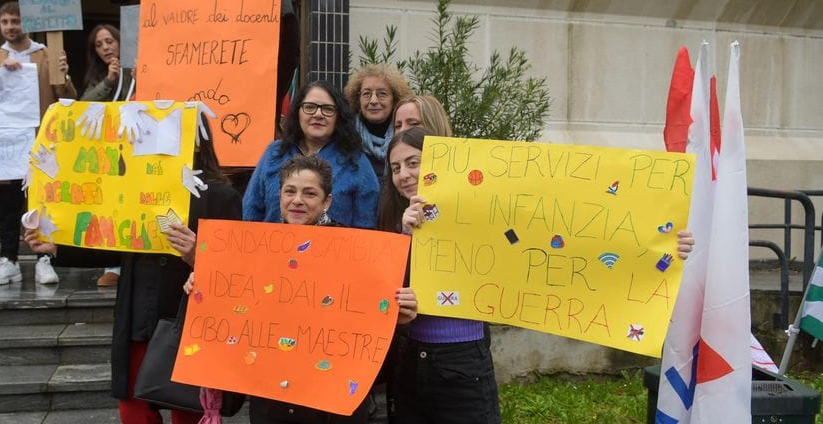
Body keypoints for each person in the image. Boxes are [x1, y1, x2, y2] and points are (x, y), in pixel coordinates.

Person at [380, 127, 697, 423]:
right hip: (411, 362)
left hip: (462, 362)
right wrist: (406, 246)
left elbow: (589, 234)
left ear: (437, 164)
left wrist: (667, 246)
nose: (404, 174)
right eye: (396, 168)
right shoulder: (394, 220)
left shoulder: (484, 205)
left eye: (413, 162)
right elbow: (384, 293)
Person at [25, 112, 240, 424]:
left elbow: (233, 269)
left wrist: (198, 253)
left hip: (189, 320)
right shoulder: (131, 189)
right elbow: (112, 243)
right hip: (138, 316)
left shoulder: (221, 196)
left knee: (187, 410)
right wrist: (58, 246)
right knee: (134, 410)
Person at [187, 154, 417, 423]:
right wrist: (201, 288)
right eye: (290, 191)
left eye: (309, 193)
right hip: (272, 400)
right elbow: (234, 308)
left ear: (326, 201)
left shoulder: (357, 253)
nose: (297, 200)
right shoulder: (255, 252)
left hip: (331, 403)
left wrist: (399, 316)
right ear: (279, 196)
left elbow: (376, 319)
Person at [0, 1, 77, 286]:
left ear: (27, 23)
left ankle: (44, 259)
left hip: (41, 142)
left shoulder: (47, 55)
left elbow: (68, 97)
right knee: (7, 203)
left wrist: (64, 74)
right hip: (5, 145)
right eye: (5, 22)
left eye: (16, 21)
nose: (10, 27)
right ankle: (7, 259)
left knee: (42, 203)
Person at [243, 81, 379, 228]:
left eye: (327, 109)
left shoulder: (356, 161)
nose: (318, 114)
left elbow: (367, 224)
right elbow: (251, 212)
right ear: (297, 112)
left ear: (338, 116)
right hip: (273, 248)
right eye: (309, 107)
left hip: (336, 249)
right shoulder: (274, 153)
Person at [78, 23, 129, 287]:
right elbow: (83, 107)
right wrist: (109, 81)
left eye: (109, 41)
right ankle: (113, 265)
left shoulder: (136, 70)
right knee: (110, 209)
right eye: (99, 44)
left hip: (135, 151)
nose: (106, 47)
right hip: (108, 156)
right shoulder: (98, 77)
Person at [343, 64, 412, 178]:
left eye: (382, 94)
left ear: (394, 99)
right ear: (357, 98)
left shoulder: (405, 132)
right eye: (367, 94)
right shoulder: (345, 135)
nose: (373, 100)